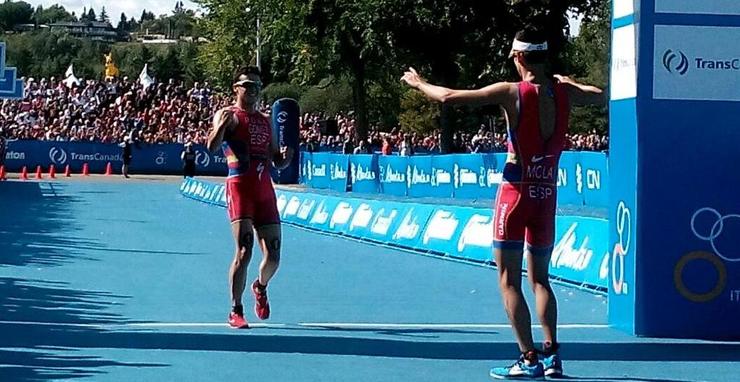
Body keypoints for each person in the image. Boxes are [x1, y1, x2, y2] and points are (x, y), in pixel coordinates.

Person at [401, 27, 605, 379]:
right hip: (546, 194)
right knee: (541, 279)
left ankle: (528, 359)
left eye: (512, 54)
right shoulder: (564, 90)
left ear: (521, 57)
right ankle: (552, 355)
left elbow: (450, 97)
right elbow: (600, 96)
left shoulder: (511, 92)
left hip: (515, 194)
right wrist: (571, 81)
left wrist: (419, 84)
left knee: (508, 280)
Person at [207, 66, 294, 329]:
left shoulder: (265, 121)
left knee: (274, 256)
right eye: (248, 85)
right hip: (240, 188)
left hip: (264, 190)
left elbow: (276, 160)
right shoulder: (227, 115)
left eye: (257, 86)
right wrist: (220, 128)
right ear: (237, 88)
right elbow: (211, 147)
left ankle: (261, 285)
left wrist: (285, 157)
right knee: (244, 251)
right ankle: (235, 308)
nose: (253, 90)